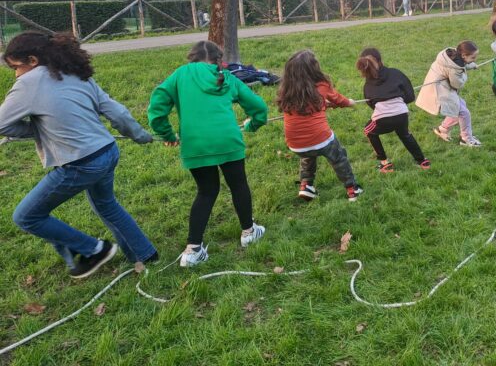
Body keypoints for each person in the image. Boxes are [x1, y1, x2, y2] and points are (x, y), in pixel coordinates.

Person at [0, 32, 158, 279]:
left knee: (26, 216)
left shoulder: (28, 83)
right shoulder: (74, 73)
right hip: (108, 152)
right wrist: (139, 135)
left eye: (16, 67)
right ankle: (144, 253)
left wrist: (34, 130)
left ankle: (94, 250)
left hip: (81, 164)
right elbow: (117, 113)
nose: (16, 75)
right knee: (107, 205)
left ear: (32, 60)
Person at [148, 41, 268, 268]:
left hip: (196, 145)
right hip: (228, 141)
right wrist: (253, 124)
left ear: (191, 58)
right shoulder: (227, 77)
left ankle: (193, 250)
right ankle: (249, 232)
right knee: (239, 185)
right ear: (218, 60)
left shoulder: (180, 75)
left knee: (206, 191)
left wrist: (166, 133)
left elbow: (157, 105)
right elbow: (259, 107)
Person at [277, 50, 363, 202]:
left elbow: (306, 104)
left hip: (296, 145)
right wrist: (349, 102)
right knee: (339, 158)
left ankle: (306, 185)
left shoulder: (286, 90)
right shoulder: (321, 85)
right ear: (313, 69)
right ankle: (352, 189)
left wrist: (324, 104)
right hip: (321, 139)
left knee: (308, 154)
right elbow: (339, 99)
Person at [356, 48, 430, 172]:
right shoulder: (396, 73)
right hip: (401, 114)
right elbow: (410, 95)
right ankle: (423, 161)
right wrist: (398, 103)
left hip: (383, 119)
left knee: (368, 131)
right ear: (380, 60)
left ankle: (385, 163)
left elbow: (371, 104)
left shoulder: (367, 85)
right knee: (405, 134)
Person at [415, 40, 482, 147]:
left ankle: (442, 129)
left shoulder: (451, 56)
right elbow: (457, 84)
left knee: (458, 107)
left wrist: (471, 65)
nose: (475, 59)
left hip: (441, 87)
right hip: (440, 90)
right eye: (473, 57)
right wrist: (464, 75)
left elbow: (462, 65)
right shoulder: (454, 68)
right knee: (463, 113)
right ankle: (466, 139)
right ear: (463, 55)